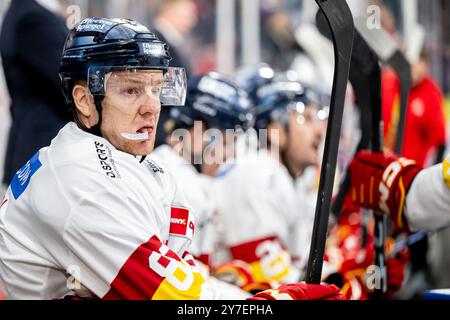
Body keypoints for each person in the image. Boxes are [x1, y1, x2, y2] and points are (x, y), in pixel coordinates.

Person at [0, 17, 342, 300]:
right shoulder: (79, 182)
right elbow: (175, 299)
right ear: (86, 100)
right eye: (131, 90)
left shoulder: (140, 166)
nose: (151, 107)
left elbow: (187, 278)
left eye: (156, 87)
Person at [212, 70, 327, 286]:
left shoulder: (288, 178)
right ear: (276, 131)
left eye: (319, 118)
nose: (320, 131)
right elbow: (268, 279)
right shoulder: (257, 173)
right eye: (305, 118)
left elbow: (298, 263)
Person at [0, 0, 71, 187]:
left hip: (37, 147)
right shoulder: (33, 18)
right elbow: (66, 84)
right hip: (42, 149)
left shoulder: (26, 12)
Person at [152, 0, 199, 148]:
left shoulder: (168, 43)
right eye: (189, 13)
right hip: (161, 136)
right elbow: (169, 97)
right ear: (170, 9)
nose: (193, 20)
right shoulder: (156, 42)